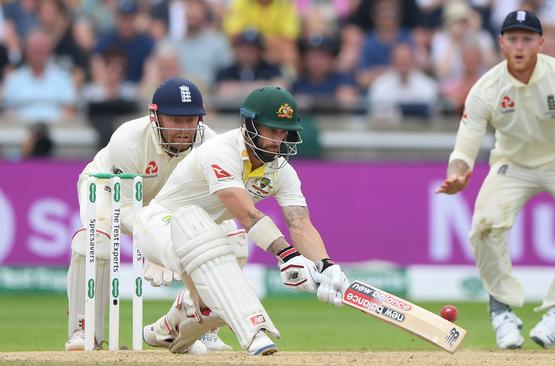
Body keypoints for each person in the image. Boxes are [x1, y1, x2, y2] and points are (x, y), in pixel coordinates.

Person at [436, 10, 555, 350]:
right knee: (484, 225)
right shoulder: (486, 88)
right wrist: (457, 174)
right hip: (513, 165)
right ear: (501, 43)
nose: (519, 46)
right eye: (512, 39)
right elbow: (464, 147)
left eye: (526, 39)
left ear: (541, 42)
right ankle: (502, 310)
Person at [134, 86, 348, 355]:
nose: (277, 140)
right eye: (271, 130)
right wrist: (288, 256)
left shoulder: (283, 171)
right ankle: (254, 332)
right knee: (219, 248)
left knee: (215, 300)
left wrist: (326, 267)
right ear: (249, 124)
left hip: (204, 234)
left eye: (283, 132)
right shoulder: (221, 151)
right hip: (160, 224)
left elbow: (300, 223)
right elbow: (245, 213)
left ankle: (165, 329)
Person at [65, 77, 232, 353]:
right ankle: (84, 331)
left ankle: (202, 326)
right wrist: (157, 245)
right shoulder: (127, 140)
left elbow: (209, 205)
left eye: (191, 120)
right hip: (108, 188)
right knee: (96, 239)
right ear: (154, 116)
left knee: (227, 234)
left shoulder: (210, 145)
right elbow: (128, 208)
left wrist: (172, 243)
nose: (184, 129)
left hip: (166, 200)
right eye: (176, 120)